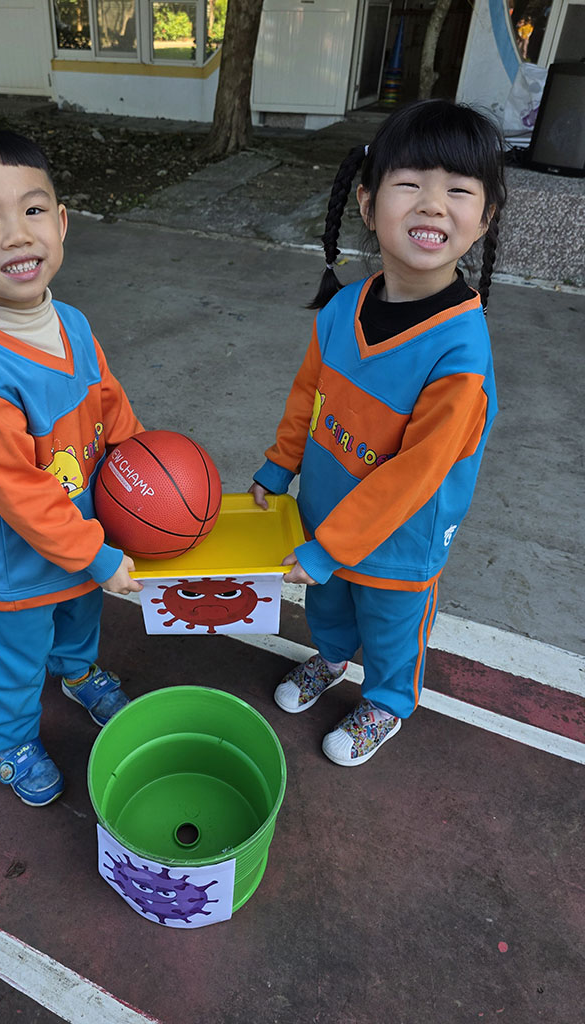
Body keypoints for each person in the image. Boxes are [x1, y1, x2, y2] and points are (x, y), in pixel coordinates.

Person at [250, 100, 506, 766]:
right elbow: (308, 397)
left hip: (401, 537)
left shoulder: (460, 351)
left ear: (485, 218)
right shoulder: (344, 307)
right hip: (325, 512)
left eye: (459, 190)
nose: (433, 205)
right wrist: (279, 465)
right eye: (410, 183)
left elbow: (416, 473)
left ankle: (389, 701)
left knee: (392, 627)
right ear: (367, 204)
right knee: (330, 607)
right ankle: (333, 657)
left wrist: (331, 547)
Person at [0, 127, 144, 806]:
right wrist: (97, 554)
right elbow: (15, 489)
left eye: (33, 210)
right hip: (10, 554)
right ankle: (11, 738)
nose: (18, 235)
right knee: (13, 652)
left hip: (76, 524)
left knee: (78, 612)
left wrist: (146, 474)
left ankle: (77, 672)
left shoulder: (72, 322)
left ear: (62, 222)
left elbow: (111, 406)